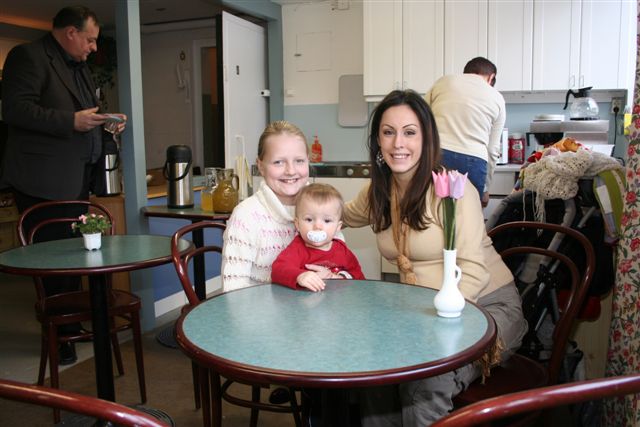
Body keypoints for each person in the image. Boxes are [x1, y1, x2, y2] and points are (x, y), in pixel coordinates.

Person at [343, 89, 527, 426]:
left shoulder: (452, 189)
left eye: (410, 132)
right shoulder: (378, 192)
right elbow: (334, 216)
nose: (398, 143)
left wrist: (428, 333)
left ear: (426, 138)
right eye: (388, 132)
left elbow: (473, 272)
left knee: (423, 383)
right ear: (378, 141)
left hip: (485, 308)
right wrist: (293, 200)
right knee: (373, 373)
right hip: (421, 314)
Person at [0, 6, 127, 364]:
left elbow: (87, 114)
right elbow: (15, 110)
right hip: (41, 180)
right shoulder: (27, 56)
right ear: (70, 32)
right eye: (90, 39)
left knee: (73, 257)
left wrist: (106, 122)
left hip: (75, 178)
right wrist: (70, 121)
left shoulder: (79, 66)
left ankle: (70, 326)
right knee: (52, 262)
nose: (93, 47)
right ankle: (57, 338)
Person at [221, 120, 314, 405]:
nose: (291, 171)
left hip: (314, 319)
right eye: (278, 162)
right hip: (265, 327)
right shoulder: (246, 216)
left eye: (299, 160)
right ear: (260, 166)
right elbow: (234, 293)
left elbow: (339, 259)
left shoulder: (318, 204)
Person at [424, 57, 506, 207]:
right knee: (469, 215)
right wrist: (485, 188)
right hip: (474, 160)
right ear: (491, 77)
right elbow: (493, 150)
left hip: (437, 154)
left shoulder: (443, 82)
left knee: (433, 212)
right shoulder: (498, 98)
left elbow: (420, 117)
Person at [272, 183, 365, 291]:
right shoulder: (297, 249)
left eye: (327, 220)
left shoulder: (342, 250)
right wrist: (300, 276)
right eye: (309, 219)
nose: (317, 226)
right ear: (297, 224)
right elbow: (277, 270)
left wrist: (337, 277)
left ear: (338, 227)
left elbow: (359, 278)